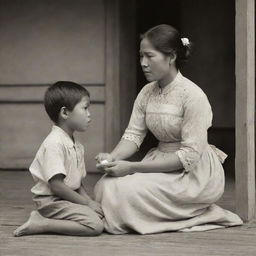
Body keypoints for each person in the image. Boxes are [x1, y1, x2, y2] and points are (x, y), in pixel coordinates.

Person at [94, 24, 243, 235]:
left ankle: (199, 213)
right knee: (105, 185)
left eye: (149, 56)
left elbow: (188, 157)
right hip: (159, 161)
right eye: (141, 56)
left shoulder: (193, 96)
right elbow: (134, 135)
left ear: (171, 56)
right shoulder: (146, 93)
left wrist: (132, 168)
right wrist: (112, 157)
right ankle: (155, 215)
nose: (143, 63)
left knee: (121, 190)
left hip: (192, 173)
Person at [14, 81, 104, 236]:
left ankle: (54, 220)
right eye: (85, 107)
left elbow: (77, 184)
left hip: (66, 199)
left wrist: (90, 202)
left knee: (101, 214)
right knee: (95, 225)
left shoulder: (76, 145)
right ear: (65, 113)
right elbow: (57, 186)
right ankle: (42, 223)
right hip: (52, 201)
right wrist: (87, 204)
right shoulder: (54, 143)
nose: (89, 113)